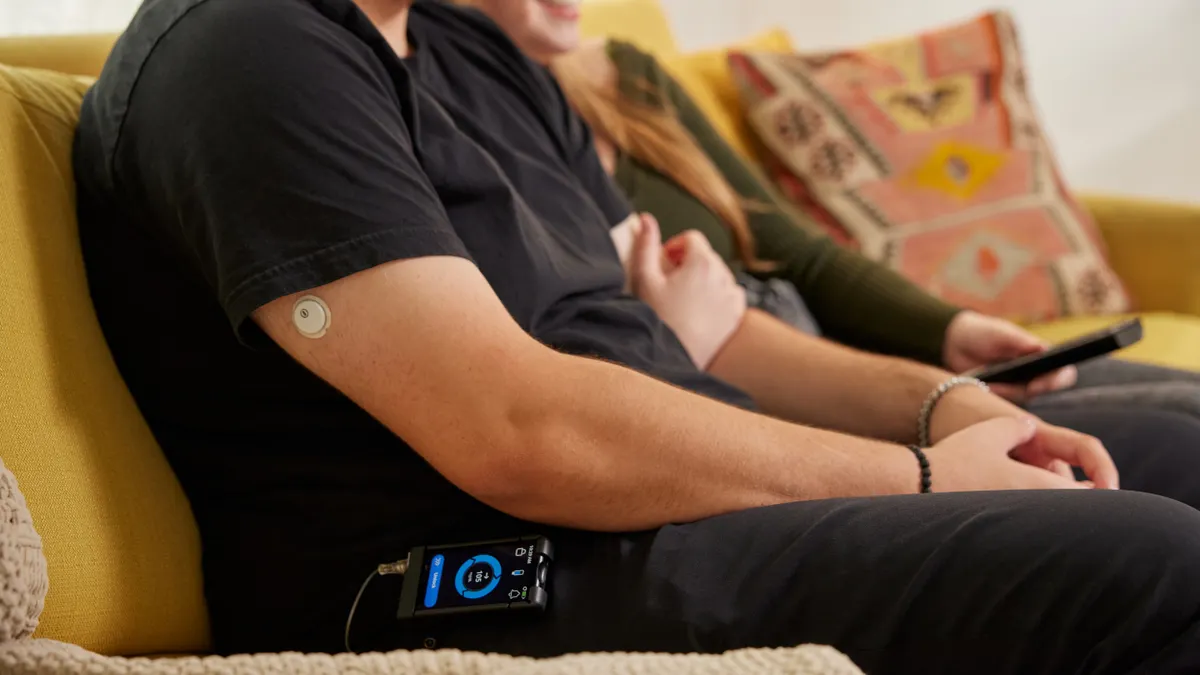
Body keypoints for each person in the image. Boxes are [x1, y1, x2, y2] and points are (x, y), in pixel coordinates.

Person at [73, 0, 1200, 673]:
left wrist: (946, 407)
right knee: (1155, 562)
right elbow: (513, 433)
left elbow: (725, 346)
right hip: (445, 571)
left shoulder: (474, 52)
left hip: (662, 486)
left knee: (1180, 456)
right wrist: (917, 478)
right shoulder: (251, 52)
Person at [455, 0, 1200, 424]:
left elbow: (796, 251)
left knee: (1183, 403)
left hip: (838, 354)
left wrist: (946, 328)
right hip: (769, 405)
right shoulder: (457, 141)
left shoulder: (625, 75)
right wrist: (672, 336)